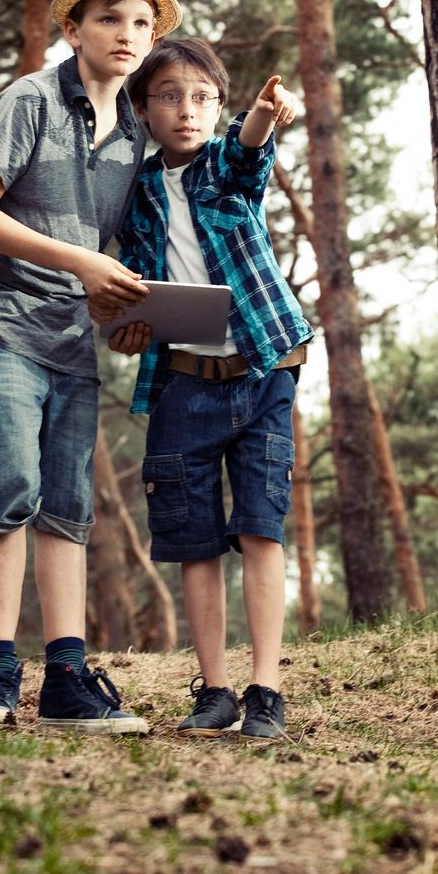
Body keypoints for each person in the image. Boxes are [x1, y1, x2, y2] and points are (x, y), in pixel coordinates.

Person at [0, 0, 183, 733]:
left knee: (69, 505)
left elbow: (125, 257)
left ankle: (69, 679)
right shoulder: (31, 102)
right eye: (109, 16)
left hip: (70, 335)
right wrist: (83, 261)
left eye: (141, 21)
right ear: (73, 25)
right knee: (10, 483)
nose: (127, 32)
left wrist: (131, 314)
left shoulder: (139, 138)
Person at [91, 38, 312, 742]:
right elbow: (132, 291)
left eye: (201, 97)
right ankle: (215, 688)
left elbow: (250, 151)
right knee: (191, 540)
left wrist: (265, 115)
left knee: (259, 526)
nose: (186, 110)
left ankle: (266, 690)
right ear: (143, 111)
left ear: (219, 106)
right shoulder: (136, 194)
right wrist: (127, 329)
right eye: (168, 97)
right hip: (183, 382)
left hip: (265, 370)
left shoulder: (227, 167)